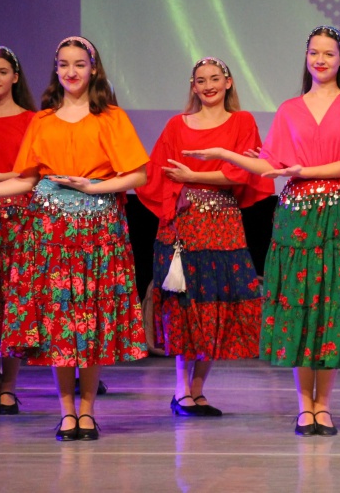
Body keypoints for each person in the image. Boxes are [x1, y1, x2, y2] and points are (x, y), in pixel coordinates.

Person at [185, 26, 340, 436]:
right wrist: (225, 154)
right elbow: (271, 165)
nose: (320, 60)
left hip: (336, 214)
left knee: (329, 305)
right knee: (300, 306)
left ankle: (323, 406)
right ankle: (304, 406)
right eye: (314, 53)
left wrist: (305, 170)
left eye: (328, 53)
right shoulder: (291, 108)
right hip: (295, 216)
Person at [0, 36, 149, 440]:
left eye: (79, 64)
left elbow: (139, 175)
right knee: (60, 320)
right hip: (51, 232)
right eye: (64, 64)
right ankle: (66, 412)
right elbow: (26, 180)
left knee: (90, 320)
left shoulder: (110, 117)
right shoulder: (43, 120)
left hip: (98, 230)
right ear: (56, 69)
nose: (71, 72)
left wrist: (93, 187)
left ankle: (88, 411)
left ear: (93, 68)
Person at [136, 57, 274, 417]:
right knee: (186, 306)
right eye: (201, 80)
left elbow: (239, 174)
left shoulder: (243, 122)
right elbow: (159, 173)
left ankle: (198, 390)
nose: (209, 85)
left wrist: (193, 177)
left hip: (223, 226)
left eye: (215, 78)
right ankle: (181, 390)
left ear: (228, 82)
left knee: (217, 304)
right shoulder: (176, 125)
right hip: (183, 226)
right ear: (193, 86)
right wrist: (185, 185)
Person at [0, 45, 37, 415]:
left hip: (20, 221)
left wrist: (0, 176)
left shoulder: (32, 121)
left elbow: (34, 172)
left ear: (15, 77)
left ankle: (9, 386)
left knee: (13, 303)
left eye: (2, 71)